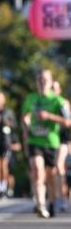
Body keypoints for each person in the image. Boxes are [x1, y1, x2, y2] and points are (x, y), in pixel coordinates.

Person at [22, 69, 68, 219]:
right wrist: (26, 125)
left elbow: (68, 122)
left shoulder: (58, 101)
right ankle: (41, 205)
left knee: (50, 177)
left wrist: (49, 116)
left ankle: (52, 202)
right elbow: (25, 116)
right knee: (37, 170)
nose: (42, 83)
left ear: (50, 82)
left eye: (45, 80)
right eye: (39, 80)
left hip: (51, 142)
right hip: (34, 140)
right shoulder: (31, 98)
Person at [51, 80, 70, 213]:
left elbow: (68, 122)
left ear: (59, 90)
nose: (53, 90)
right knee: (51, 170)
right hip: (47, 140)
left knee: (59, 165)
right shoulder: (44, 103)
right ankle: (54, 197)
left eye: (55, 88)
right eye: (51, 88)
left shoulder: (63, 103)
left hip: (62, 139)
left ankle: (63, 198)